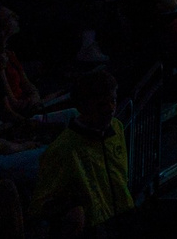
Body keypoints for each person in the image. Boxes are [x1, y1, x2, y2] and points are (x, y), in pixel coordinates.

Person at [29, 70, 128, 233]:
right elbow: (40, 204)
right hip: (94, 228)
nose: (111, 109)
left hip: (122, 218)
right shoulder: (63, 149)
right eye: (101, 104)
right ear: (83, 107)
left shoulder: (117, 128)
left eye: (113, 101)